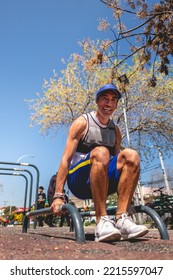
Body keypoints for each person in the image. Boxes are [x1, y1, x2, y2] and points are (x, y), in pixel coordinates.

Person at [51, 83, 149, 242]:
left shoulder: (115, 130)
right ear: (97, 102)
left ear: (116, 105)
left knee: (131, 155)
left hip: (102, 181)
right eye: (104, 99)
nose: (109, 104)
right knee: (102, 152)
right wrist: (58, 195)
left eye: (113, 100)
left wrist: (127, 199)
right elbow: (65, 159)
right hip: (79, 181)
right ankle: (101, 221)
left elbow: (119, 167)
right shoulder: (83, 123)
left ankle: (122, 219)